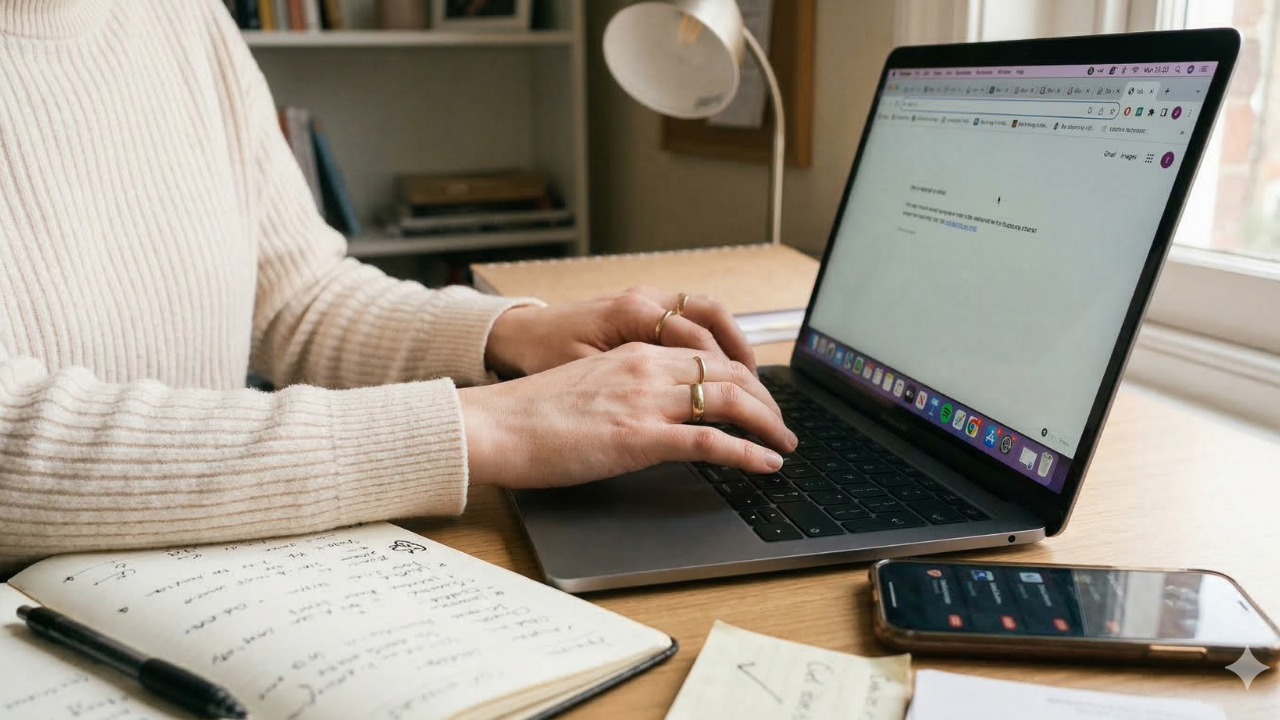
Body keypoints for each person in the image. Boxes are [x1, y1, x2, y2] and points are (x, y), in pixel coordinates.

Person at [0, 0, 796, 575]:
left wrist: (512, 334)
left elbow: (293, 297)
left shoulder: (183, 18)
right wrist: (481, 426)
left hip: (195, 572)